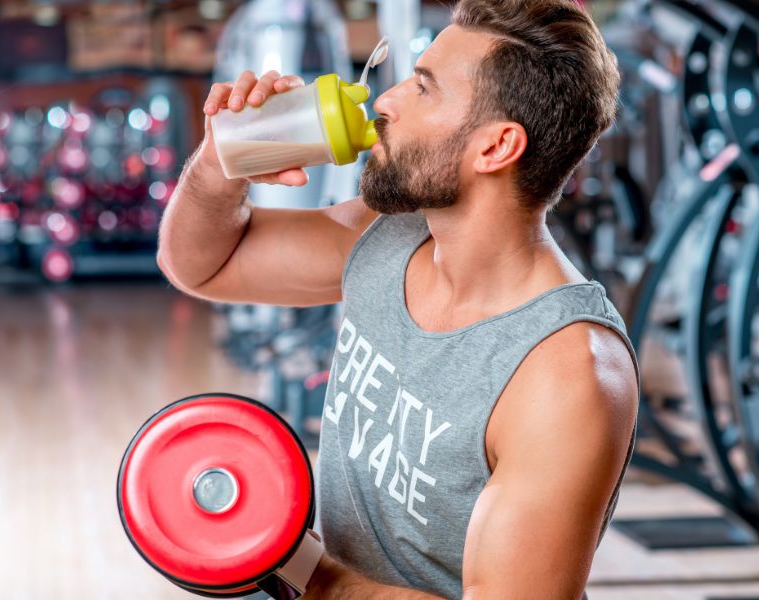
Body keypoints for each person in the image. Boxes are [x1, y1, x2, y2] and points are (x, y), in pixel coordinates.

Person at [157, 0, 640, 597]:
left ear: (495, 147)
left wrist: (292, 559)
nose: (385, 102)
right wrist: (223, 161)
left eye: (422, 88)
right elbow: (201, 266)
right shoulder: (392, 233)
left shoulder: (566, 372)